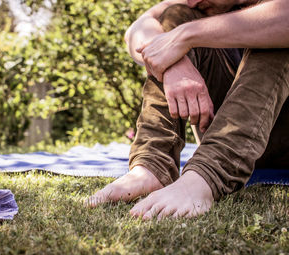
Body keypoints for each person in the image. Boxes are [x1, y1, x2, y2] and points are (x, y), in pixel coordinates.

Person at [87, 0, 289, 220]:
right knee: (176, 15)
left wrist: (186, 36)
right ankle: (152, 167)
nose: (193, 0)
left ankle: (205, 177)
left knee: (279, 34)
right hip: (226, 131)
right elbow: (138, 28)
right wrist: (173, 63)